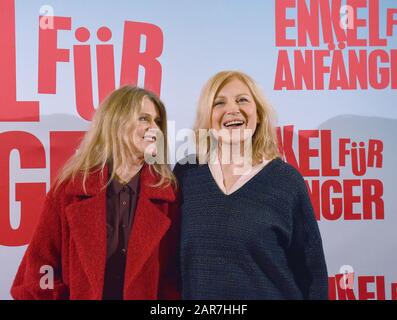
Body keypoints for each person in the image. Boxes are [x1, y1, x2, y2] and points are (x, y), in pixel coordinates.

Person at [11, 86, 180, 300]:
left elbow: (176, 276)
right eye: (144, 119)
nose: (154, 128)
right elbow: (37, 272)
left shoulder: (168, 195)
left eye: (157, 121)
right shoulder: (70, 189)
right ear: (115, 123)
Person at [174, 71, 329, 299]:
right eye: (219, 102)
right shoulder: (186, 175)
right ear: (207, 118)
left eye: (242, 100)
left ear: (259, 113)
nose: (232, 109)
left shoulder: (286, 181)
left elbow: (312, 272)